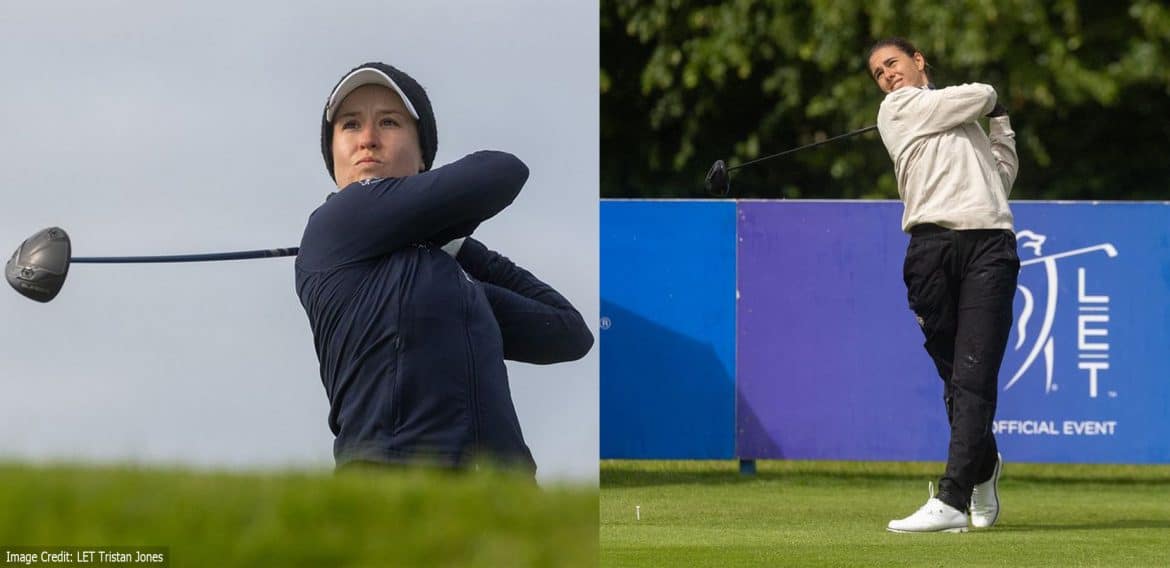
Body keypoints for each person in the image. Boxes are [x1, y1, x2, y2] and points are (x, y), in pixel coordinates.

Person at [295, 62, 594, 477]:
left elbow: (568, 332)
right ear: (333, 154)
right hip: (390, 485)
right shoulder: (337, 222)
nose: (367, 139)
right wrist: (446, 232)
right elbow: (501, 171)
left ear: (423, 155)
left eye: (388, 121)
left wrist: (456, 248)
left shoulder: (452, 278)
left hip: (502, 496)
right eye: (350, 125)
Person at [866, 38, 1019, 533]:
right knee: (956, 379)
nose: (886, 75)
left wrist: (1000, 125)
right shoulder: (898, 108)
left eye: (892, 63)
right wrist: (994, 104)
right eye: (878, 73)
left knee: (974, 377)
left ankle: (952, 497)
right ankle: (984, 466)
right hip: (930, 251)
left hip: (990, 246)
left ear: (918, 61)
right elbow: (983, 92)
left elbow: (1000, 179)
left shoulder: (954, 119)